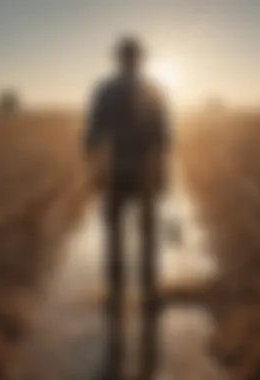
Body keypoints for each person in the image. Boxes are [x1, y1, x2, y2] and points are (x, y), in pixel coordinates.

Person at [84, 36, 170, 380]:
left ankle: (115, 293)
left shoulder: (104, 90)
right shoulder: (156, 90)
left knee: (115, 235)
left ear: (119, 59)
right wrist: (162, 174)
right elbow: (165, 138)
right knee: (148, 235)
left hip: (118, 171)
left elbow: (92, 136)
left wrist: (94, 171)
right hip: (144, 173)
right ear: (140, 60)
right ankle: (149, 292)